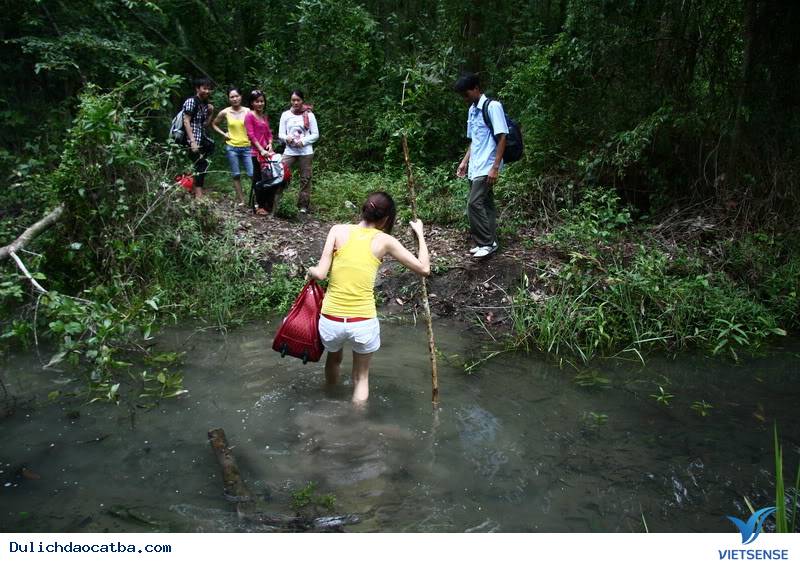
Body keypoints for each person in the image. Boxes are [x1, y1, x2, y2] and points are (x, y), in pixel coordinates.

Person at [307, 192, 430, 404]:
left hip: (331, 320)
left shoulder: (337, 230)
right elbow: (424, 269)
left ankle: (329, 398)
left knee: (334, 360)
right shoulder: (385, 241)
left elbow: (320, 274)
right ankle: (357, 423)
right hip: (362, 321)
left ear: (363, 210)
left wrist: (310, 271)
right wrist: (420, 234)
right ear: (385, 219)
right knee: (361, 377)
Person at [454, 73, 508, 258]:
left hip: (488, 165)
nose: (465, 98)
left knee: (473, 203)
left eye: (466, 94)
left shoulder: (493, 107)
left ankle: (486, 242)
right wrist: (464, 162)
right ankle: (488, 241)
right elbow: (474, 140)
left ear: (476, 88)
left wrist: (495, 167)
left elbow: (502, 137)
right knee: (486, 203)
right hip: (476, 165)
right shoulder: (472, 110)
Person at [278, 90, 319, 214]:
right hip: (289, 150)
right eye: (293, 100)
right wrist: (286, 138)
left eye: (298, 100)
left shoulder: (309, 115)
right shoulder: (285, 115)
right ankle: (277, 200)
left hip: (305, 151)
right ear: (290, 101)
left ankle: (303, 205)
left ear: (302, 101)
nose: (295, 102)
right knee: (280, 173)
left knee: (305, 178)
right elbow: (280, 134)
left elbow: (316, 134)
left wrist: (304, 141)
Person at [212, 87, 252, 205]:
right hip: (232, 147)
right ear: (229, 99)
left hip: (247, 146)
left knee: (252, 174)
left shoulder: (248, 111)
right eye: (232, 97)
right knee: (236, 175)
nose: (234, 99)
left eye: (236, 96)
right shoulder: (225, 112)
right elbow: (214, 124)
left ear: (241, 96)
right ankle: (242, 200)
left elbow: (256, 125)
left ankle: (255, 199)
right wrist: (224, 133)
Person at [182, 77, 215, 199]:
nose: (207, 91)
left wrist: (211, 113)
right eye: (204, 88)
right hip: (190, 140)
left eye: (209, 89)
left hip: (201, 139)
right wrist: (192, 141)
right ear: (197, 88)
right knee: (201, 164)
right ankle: (199, 196)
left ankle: (190, 190)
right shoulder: (191, 101)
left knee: (199, 165)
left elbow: (204, 124)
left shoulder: (204, 104)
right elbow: (186, 121)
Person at [244, 90, 275, 215]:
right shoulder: (249, 116)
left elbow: (269, 134)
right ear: (252, 103)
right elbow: (251, 135)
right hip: (255, 152)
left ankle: (268, 204)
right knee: (258, 178)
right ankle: (259, 205)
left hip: (266, 153)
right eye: (257, 101)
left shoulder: (264, 116)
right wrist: (261, 150)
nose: (260, 104)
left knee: (269, 177)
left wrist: (270, 144)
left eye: (262, 101)